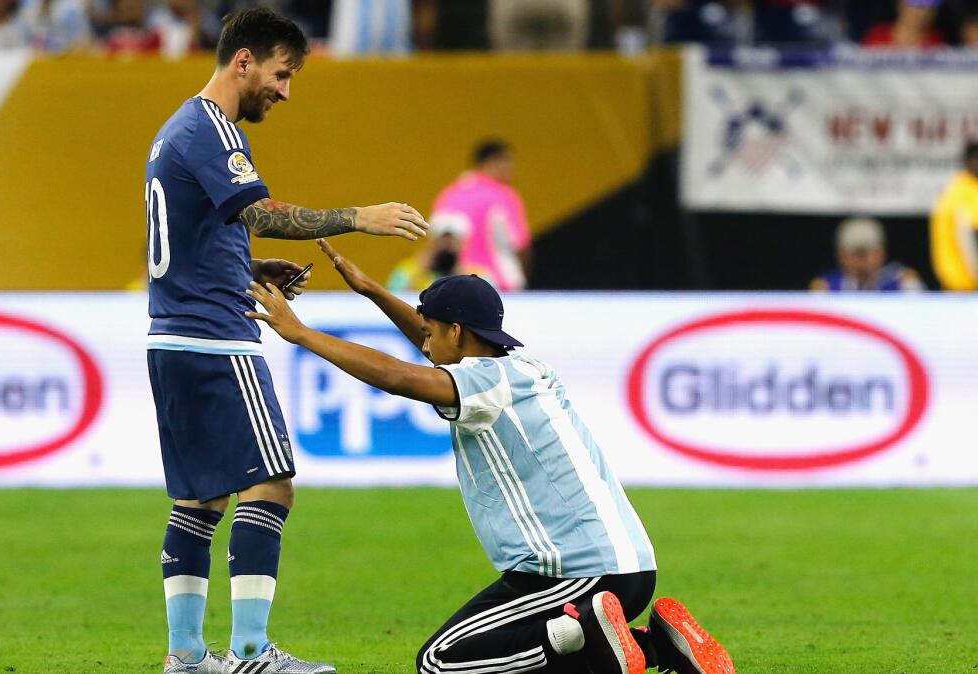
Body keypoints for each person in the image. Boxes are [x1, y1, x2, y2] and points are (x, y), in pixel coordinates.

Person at [245, 239, 734, 674]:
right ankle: (656, 647)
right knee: (474, 654)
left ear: (456, 332)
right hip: (620, 565)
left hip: (577, 571)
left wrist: (301, 334)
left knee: (441, 663)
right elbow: (425, 347)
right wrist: (372, 291)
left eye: (432, 331)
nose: (425, 341)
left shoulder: (483, 382)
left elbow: (398, 376)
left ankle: (596, 640)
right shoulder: (518, 367)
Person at [143, 8, 430, 674]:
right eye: (282, 73)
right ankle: (249, 652)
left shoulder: (174, 131)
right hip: (216, 339)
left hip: (174, 335)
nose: (285, 90)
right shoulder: (212, 131)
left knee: (200, 497)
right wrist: (360, 217)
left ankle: (185, 655)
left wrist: (242, 267)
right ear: (243, 61)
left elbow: (190, 231)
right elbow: (260, 212)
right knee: (272, 483)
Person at [431, 139, 532, 291]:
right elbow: (520, 245)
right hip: (500, 286)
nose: (511, 168)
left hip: (454, 285)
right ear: (489, 163)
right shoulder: (503, 195)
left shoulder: (449, 194)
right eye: (506, 161)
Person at [810, 217, 923, 292]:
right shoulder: (826, 286)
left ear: (881, 253)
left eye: (867, 253)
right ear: (841, 256)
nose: (862, 261)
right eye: (855, 254)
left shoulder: (902, 282)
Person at [930, 140, 978, 291]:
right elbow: (967, 239)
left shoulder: (956, 188)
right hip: (966, 288)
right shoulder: (962, 193)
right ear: (969, 160)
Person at [863, 0, 945, 48]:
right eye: (915, 6)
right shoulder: (877, 35)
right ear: (900, 4)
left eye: (928, 8)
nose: (921, 13)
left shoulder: (936, 42)